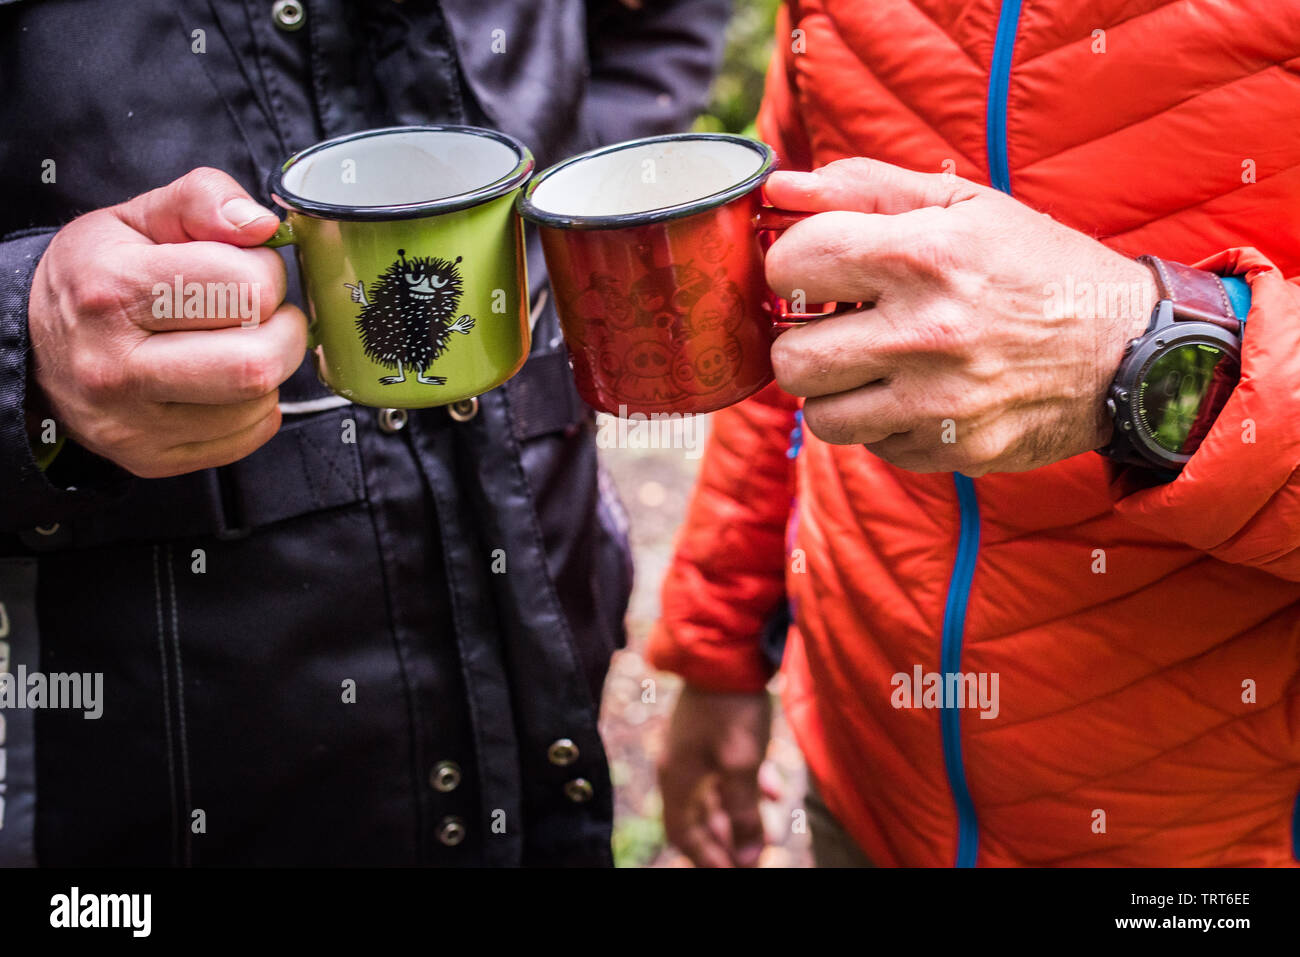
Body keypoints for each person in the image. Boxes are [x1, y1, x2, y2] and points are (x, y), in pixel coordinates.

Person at [0, 0, 728, 867]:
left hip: (548, 660)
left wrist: (574, 198)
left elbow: (664, 23)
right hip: (161, 761)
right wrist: (26, 333)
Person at [652, 0, 1300, 867]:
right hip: (863, 779)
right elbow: (782, 298)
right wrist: (720, 644)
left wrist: (1139, 357)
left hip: (1214, 840)